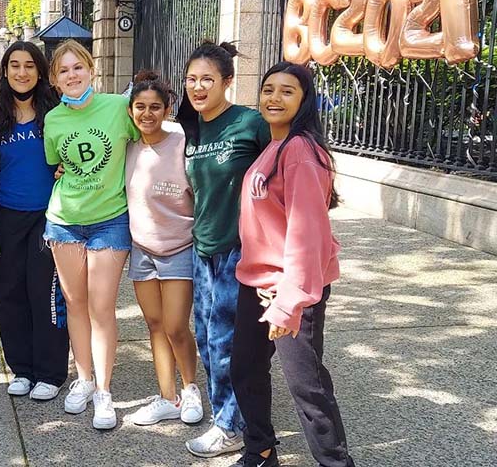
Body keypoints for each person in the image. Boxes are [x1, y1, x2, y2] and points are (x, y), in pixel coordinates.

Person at [230, 62, 354, 467]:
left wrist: (289, 301)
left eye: (287, 91)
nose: (274, 98)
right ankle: (261, 451)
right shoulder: (276, 145)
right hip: (258, 281)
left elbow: (307, 233)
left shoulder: (300, 150)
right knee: (245, 370)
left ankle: (335, 463)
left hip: (288, 289)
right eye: (268, 89)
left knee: (307, 387)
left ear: (304, 101)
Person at [176, 41, 272, 458]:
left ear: (227, 82)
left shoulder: (251, 123)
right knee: (206, 335)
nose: (198, 87)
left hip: (240, 248)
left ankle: (230, 425)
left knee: (225, 339)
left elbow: (284, 168)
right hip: (204, 248)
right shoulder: (190, 129)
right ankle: (231, 413)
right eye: (192, 79)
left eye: (207, 80)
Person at [42, 40, 139, 430]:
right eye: (63, 71)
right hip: (64, 221)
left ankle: (104, 391)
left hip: (110, 220)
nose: (72, 75)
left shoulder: (118, 107)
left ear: (91, 69)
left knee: (102, 307)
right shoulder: (53, 121)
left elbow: (147, 137)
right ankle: (82, 379)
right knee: (75, 304)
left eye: (77, 67)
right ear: (55, 80)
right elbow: (57, 164)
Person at [0, 41, 69, 401]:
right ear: (5, 72)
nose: (22, 72)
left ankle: (50, 372)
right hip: (5, 213)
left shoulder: (57, 111)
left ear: (40, 72)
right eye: (15, 65)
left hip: (49, 215)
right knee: (8, 294)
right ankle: (20, 368)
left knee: (45, 293)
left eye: (30, 66)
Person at [121, 70, 203, 427]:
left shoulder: (183, 142)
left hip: (180, 248)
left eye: (155, 107)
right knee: (154, 324)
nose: (147, 114)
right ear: (131, 110)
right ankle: (167, 396)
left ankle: (191, 390)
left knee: (175, 326)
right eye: (140, 107)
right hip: (143, 250)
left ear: (168, 109)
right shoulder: (127, 149)